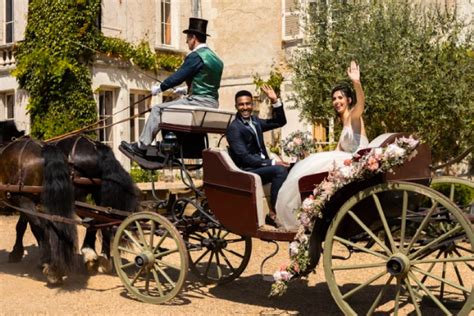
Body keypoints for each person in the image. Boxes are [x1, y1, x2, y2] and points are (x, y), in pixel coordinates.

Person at [276, 61, 369, 230]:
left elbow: (361, 104)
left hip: (357, 163)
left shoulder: (354, 117)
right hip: (348, 162)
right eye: (334, 98)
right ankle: (310, 212)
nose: (336, 101)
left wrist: (356, 83)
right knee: (308, 168)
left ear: (348, 100)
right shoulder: (343, 124)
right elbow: (337, 151)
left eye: (340, 98)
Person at [122, 17, 224, 157]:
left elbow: (179, 76)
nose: (186, 41)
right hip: (212, 104)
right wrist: (184, 90)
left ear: (193, 38)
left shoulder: (196, 56)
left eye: (187, 38)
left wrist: (160, 87)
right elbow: (206, 82)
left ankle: (141, 146)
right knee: (170, 107)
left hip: (197, 102)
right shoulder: (217, 60)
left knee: (158, 109)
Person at [226, 85, 289, 226]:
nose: (245, 107)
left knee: (291, 167)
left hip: (261, 166)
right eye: (241, 104)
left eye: (248, 104)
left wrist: (274, 101)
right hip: (248, 170)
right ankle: (273, 214)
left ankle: (289, 209)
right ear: (236, 106)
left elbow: (280, 122)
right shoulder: (234, 129)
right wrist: (271, 163)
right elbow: (244, 158)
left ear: (252, 104)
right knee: (279, 170)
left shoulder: (255, 121)